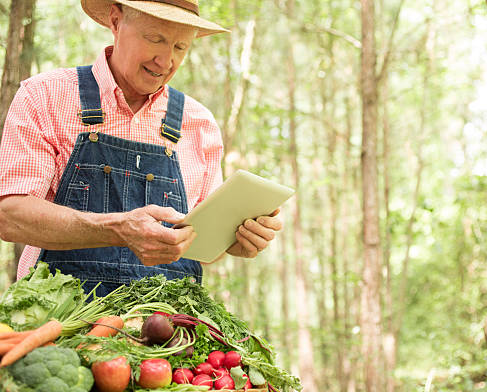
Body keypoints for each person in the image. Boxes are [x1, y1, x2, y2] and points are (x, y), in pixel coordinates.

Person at [0, 0, 282, 296]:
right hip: (62, 323)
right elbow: (10, 217)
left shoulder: (199, 124)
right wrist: (116, 229)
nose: (166, 61)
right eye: (155, 39)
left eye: (180, 47)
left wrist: (238, 241)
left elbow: (204, 248)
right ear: (115, 21)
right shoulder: (46, 96)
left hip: (166, 331)